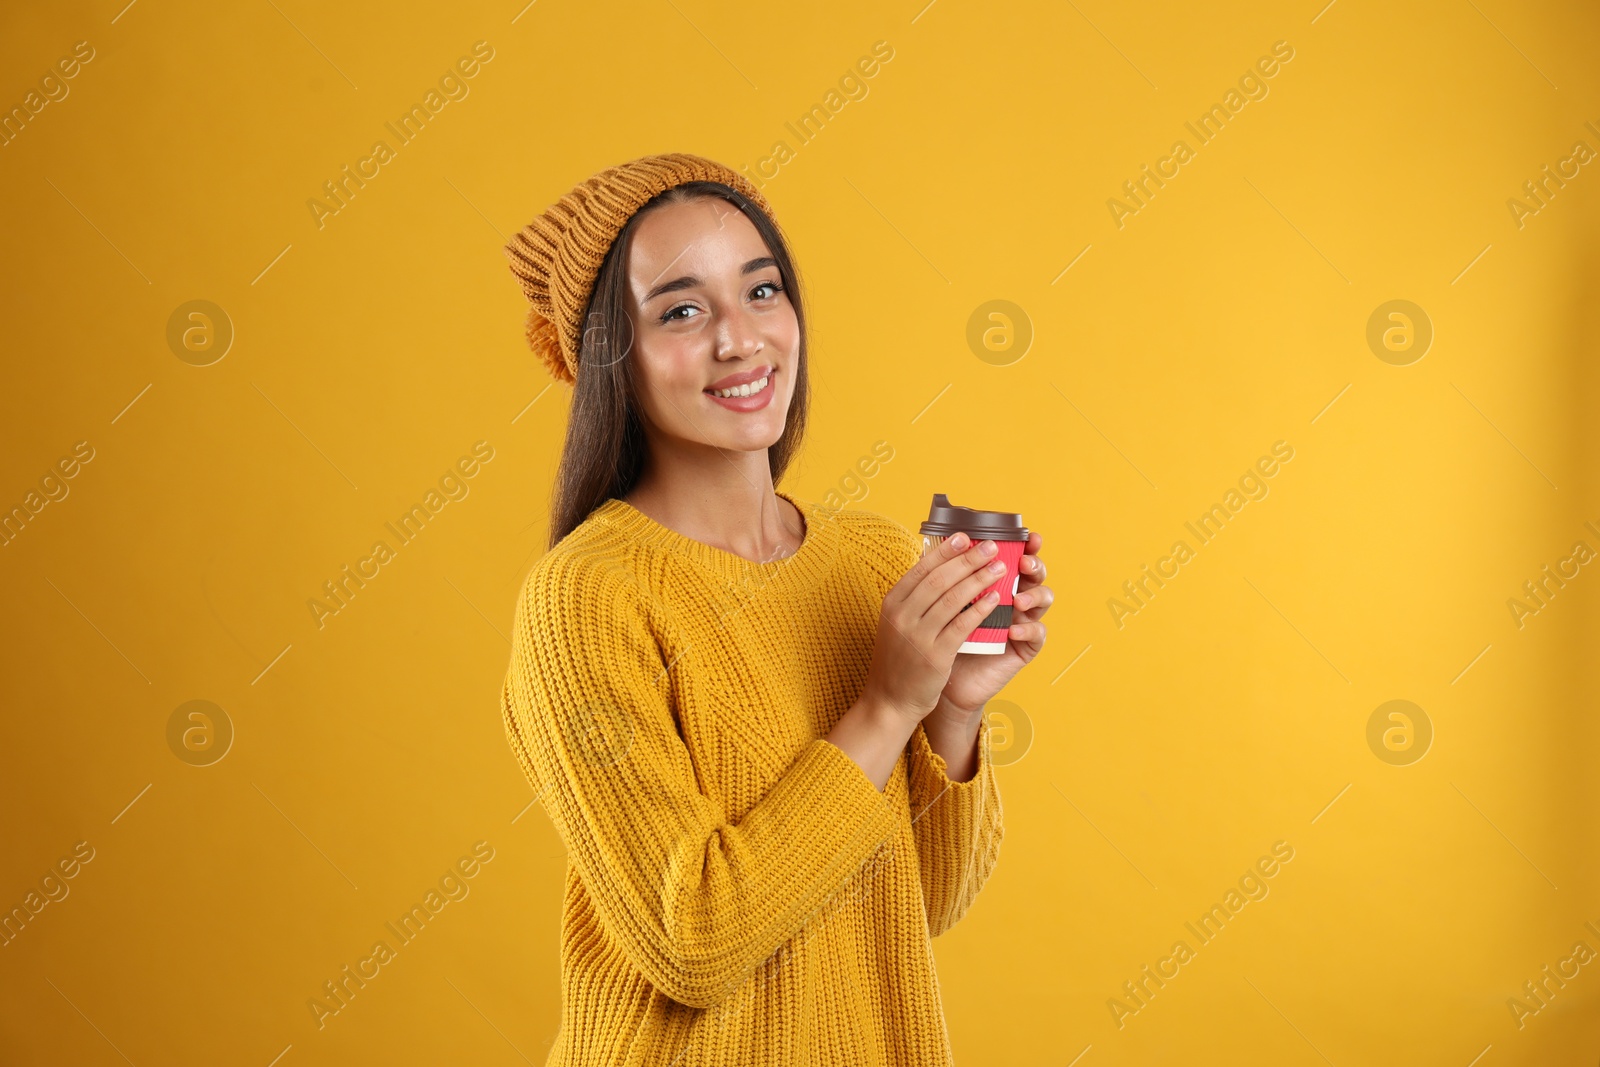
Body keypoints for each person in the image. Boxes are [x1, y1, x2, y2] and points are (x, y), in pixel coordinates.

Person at [499, 152, 1053, 1065]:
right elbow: (695, 941)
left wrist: (951, 707)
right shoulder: (587, 599)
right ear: (612, 357)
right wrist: (884, 704)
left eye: (762, 292)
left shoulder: (870, 559)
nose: (741, 340)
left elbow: (921, 908)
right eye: (682, 310)